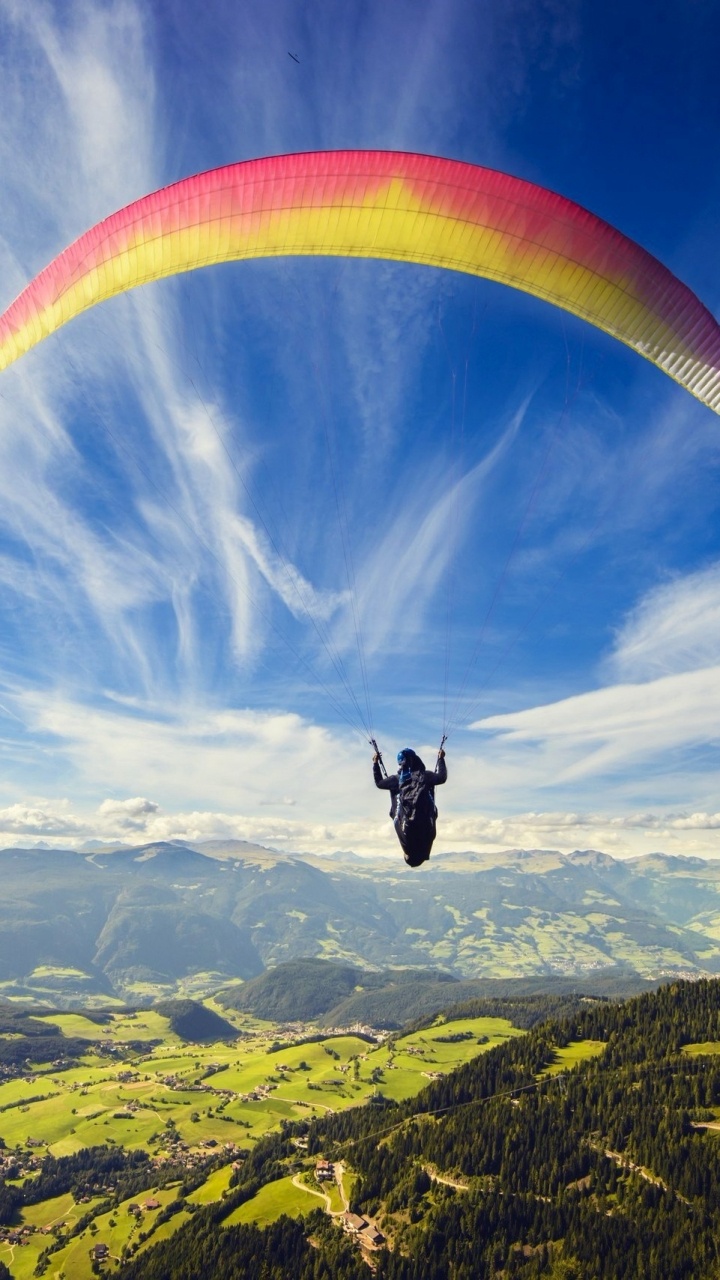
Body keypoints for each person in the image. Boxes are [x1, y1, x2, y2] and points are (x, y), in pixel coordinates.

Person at [373, 746, 447, 868]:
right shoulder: (423, 777)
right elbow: (441, 778)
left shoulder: (399, 780)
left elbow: (379, 783)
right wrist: (375, 762)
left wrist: (441, 758)